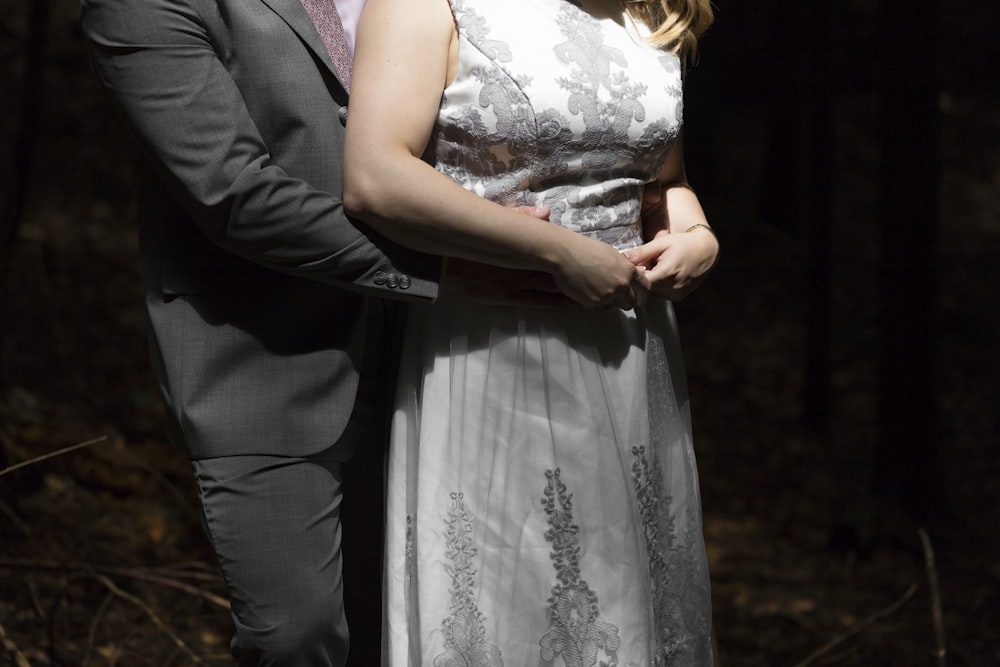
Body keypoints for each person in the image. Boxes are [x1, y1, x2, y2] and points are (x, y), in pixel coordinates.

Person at [79, 0, 649, 664]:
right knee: (296, 635)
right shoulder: (140, 7)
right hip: (266, 355)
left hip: (437, 357)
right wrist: (445, 262)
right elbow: (235, 196)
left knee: (414, 625)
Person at [342, 0, 719, 664]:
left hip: (634, 354)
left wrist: (695, 233)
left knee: (633, 608)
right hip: (495, 340)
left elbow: (664, 178)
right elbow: (377, 177)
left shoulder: (646, 11)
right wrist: (549, 250)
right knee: (507, 593)